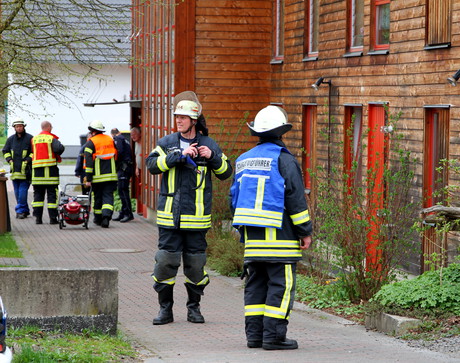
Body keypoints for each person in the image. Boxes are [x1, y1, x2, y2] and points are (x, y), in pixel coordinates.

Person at [229, 105, 313, 350]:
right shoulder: (284, 160)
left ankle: (254, 337)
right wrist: (305, 231)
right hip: (281, 238)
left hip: (253, 240)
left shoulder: (242, 160)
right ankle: (274, 337)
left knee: (255, 287)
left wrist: (243, 232)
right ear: (281, 133)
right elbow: (296, 199)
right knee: (280, 287)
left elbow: (233, 200)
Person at [146, 91, 233, 325]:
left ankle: (194, 308)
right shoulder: (167, 143)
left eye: (183, 118)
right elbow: (152, 165)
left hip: (197, 221)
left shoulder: (208, 144)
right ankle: (165, 310)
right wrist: (178, 156)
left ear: (193, 121)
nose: (179, 121)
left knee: (195, 267)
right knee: (165, 263)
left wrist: (213, 157)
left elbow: (226, 173)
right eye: (177, 117)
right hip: (169, 219)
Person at [84, 120, 118, 228]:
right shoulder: (110, 139)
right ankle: (106, 217)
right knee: (108, 197)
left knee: (98, 198)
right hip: (111, 175)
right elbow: (116, 155)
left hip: (97, 177)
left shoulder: (90, 142)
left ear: (92, 131)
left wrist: (88, 179)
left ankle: (98, 219)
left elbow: (88, 162)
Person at [31, 121, 65, 225]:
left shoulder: (34, 139)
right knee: (51, 196)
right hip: (50, 172)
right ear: (49, 127)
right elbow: (59, 148)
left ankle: (38, 219)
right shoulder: (51, 138)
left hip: (37, 172)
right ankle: (53, 219)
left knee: (38, 197)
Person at [2, 119, 33, 219]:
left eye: (20, 126)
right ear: (14, 128)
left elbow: (34, 152)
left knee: (22, 192)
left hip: (26, 171)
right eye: (17, 126)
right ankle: (25, 211)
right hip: (15, 171)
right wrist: (9, 159)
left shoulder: (30, 138)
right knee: (17, 192)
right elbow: (5, 150)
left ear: (24, 127)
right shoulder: (11, 139)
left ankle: (19, 211)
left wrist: (28, 160)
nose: (19, 128)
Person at [111, 128, 134, 223]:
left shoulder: (118, 139)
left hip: (124, 168)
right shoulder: (125, 139)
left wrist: (114, 161)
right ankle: (123, 212)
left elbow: (119, 152)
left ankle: (128, 214)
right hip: (126, 167)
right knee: (122, 191)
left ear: (113, 135)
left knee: (123, 191)